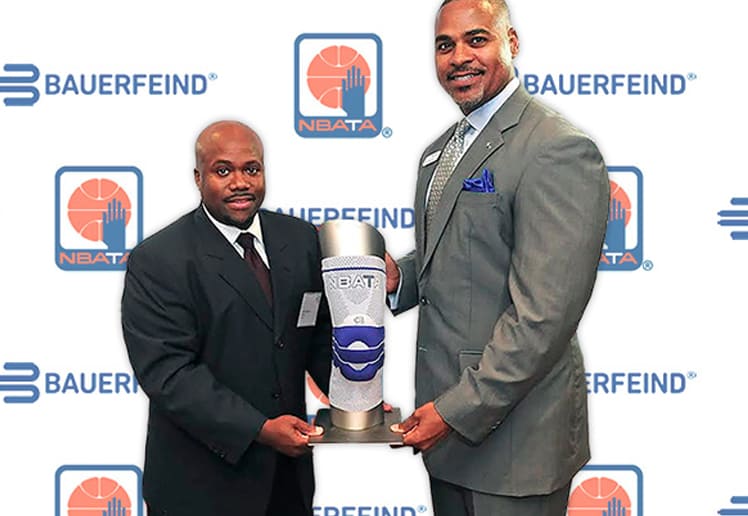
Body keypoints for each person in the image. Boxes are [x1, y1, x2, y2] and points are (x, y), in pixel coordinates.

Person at [385, 1, 610, 515]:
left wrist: (454, 410)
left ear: (512, 43)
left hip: (515, 443)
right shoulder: (442, 149)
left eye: (476, 39)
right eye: (445, 45)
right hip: (448, 437)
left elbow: (542, 317)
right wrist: (402, 277)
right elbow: (467, 249)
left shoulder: (557, 148)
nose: (459, 56)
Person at [121, 120, 332, 516]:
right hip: (200, 485)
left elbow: (316, 336)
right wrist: (260, 430)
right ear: (198, 178)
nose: (240, 182)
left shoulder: (302, 239)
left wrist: (357, 401)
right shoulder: (159, 259)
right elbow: (170, 374)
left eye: (251, 169)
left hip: (288, 482)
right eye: (223, 171)